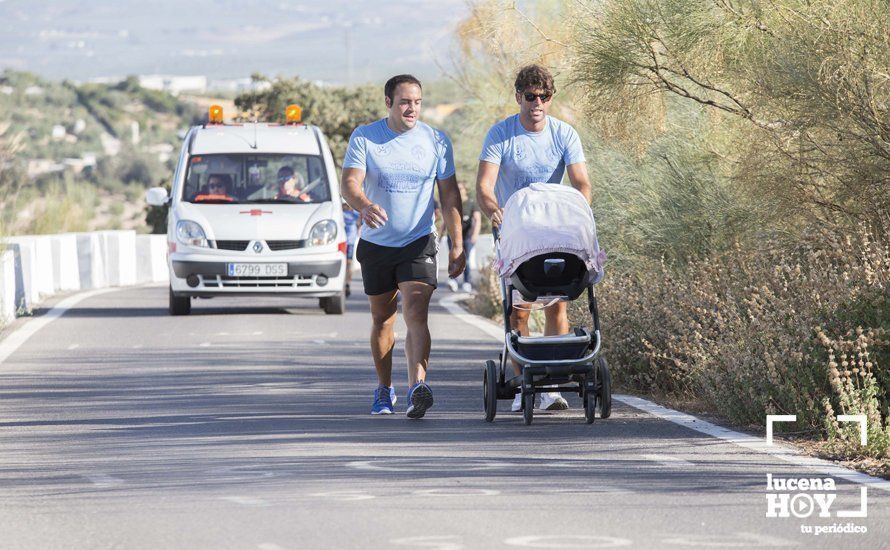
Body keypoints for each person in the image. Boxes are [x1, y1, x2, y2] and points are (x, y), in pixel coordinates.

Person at [341, 74, 466, 418]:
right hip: (377, 244)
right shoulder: (366, 137)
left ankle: (417, 388)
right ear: (389, 104)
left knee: (415, 310)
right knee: (383, 319)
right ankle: (384, 389)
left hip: (418, 241)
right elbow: (349, 183)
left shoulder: (435, 141)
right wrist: (364, 205)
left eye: (417, 102)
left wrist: (457, 243)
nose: (412, 109)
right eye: (404, 102)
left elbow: (450, 194)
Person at [475, 64, 592, 412]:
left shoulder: (564, 135)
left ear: (551, 99)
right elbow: (484, 185)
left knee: (558, 302)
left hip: (554, 231)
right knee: (520, 311)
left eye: (544, 96)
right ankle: (527, 380)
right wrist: (494, 209)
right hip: (515, 233)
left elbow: (582, 183)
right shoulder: (501, 135)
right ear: (518, 97)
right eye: (530, 96)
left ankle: (551, 386)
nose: (537, 102)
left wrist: (577, 209)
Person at [447, 183, 481, 293]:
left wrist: (475, 234)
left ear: (465, 190)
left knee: (466, 260)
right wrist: (441, 232)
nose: (458, 190)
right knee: (454, 258)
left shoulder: (471, 203)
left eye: (460, 188)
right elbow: (447, 218)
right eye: (457, 188)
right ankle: (454, 281)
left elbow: (477, 219)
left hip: (467, 237)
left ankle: (466, 282)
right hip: (453, 236)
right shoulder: (453, 202)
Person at [342, 201, 361, 297]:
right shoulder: (339, 212)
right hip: (340, 242)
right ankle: (342, 283)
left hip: (350, 242)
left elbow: (360, 223)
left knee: (348, 264)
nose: (347, 206)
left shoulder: (355, 213)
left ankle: (347, 284)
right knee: (343, 264)